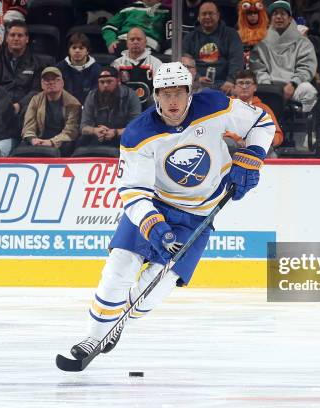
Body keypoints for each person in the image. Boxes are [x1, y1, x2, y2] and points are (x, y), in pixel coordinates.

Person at [68, 61, 275, 359]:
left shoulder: (214, 105)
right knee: (119, 266)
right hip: (155, 207)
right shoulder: (138, 134)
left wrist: (252, 155)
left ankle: (118, 321)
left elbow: (261, 123)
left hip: (198, 215)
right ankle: (93, 336)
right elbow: (133, 191)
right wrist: (153, 225)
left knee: (154, 289)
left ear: (190, 92)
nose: (173, 101)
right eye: (166, 94)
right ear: (155, 96)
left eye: (178, 92)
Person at [250, 0, 318, 112]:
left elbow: (306, 67)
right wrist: (269, 87)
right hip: (268, 86)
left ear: (290, 18)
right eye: (275, 14)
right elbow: (257, 68)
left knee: (308, 91)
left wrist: (293, 83)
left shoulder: (303, 42)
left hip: (293, 86)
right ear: (270, 19)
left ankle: (302, 127)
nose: (279, 17)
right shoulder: (261, 42)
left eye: (283, 14)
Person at [0, 20, 49, 116]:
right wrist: (3, 105)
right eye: (12, 35)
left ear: (27, 39)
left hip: (26, 109)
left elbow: (36, 90)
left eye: (20, 35)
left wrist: (19, 105)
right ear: (6, 38)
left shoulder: (37, 63)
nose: (16, 38)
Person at [182, 1, 243, 94]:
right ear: (198, 17)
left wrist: (230, 81)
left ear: (218, 15)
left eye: (210, 13)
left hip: (224, 84)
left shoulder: (231, 34)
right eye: (204, 14)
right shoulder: (190, 38)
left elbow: (237, 60)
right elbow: (185, 62)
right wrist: (197, 78)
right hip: (197, 85)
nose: (207, 17)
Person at [21, 67, 81, 155]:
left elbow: (71, 131)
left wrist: (52, 142)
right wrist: (33, 139)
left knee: (68, 146)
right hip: (39, 139)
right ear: (42, 84)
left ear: (62, 83)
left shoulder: (73, 103)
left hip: (61, 141)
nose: (51, 82)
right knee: (22, 148)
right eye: (47, 80)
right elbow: (28, 126)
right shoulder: (35, 100)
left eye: (55, 80)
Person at [78, 66, 141, 149]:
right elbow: (83, 127)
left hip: (123, 137)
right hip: (98, 137)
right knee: (81, 141)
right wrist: (94, 130)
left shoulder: (131, 95)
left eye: (109, 81)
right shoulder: (92, 96)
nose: (105, 85)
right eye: (102, 82)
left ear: (118, 81)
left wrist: (116, 132)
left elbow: (136, 127)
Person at [227, 69, 283, 148]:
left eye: (248, 83)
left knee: (270, 152)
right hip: (231, 146)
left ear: (255, 87)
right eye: (240, 83)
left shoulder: (264, 109)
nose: (244, 86)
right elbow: (217, 130)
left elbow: (277, 134)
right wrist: (236, 139)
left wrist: (270, 139)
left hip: (256, 147)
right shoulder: (225, 106)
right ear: (234, 87)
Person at [112, 27, 162, 107]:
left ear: (145, 42)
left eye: (139, 39)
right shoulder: (117, 64)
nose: (135, 42)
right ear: (127, 43)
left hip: (148, 110)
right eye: (132, 39)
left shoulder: (156, 63)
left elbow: (161, 91)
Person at [102, 0, 170, 55]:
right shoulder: (128, 8)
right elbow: (109, 26)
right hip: (124, 42)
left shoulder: (167, 12)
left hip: (150, 46)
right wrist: (111, 41)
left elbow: (171, 34)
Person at [57, 32, 102, 105]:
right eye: (74, 48)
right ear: (69, 50)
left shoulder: (97, 69)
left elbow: (97, 95)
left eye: (81, 48)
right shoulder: (59, 68)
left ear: (87, 51)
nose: (77, 51)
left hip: (89, 110)